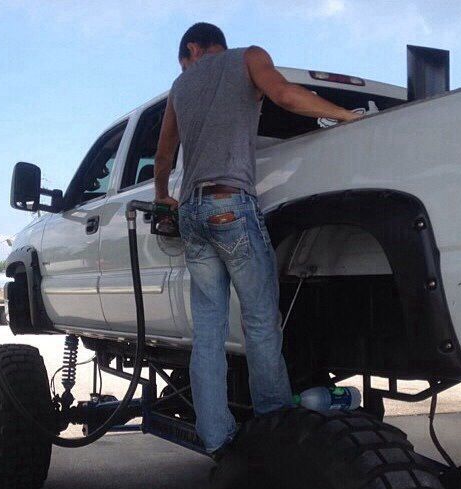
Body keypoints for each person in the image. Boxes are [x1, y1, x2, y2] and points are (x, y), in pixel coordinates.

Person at [153, 22, 361, 457]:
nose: (188, 68)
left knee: (207, 333)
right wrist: (346, 115)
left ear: (192, 48)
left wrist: (162, 198)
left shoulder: (179, 86)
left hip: (190, 211)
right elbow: (284, 94)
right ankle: (274, 424)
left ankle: (216, 437)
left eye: (186, 61)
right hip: (231, 203)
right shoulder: (248, 57)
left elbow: (164, 153)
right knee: (261, 321)